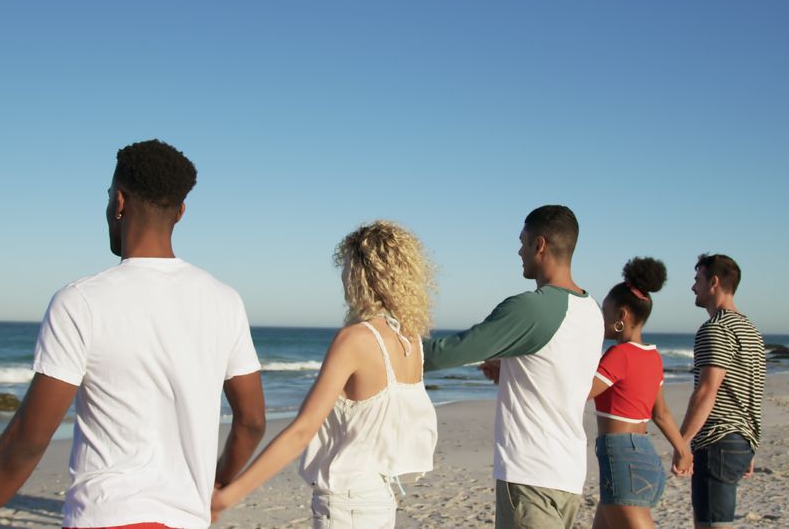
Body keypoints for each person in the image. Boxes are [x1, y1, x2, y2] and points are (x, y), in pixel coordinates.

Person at [0, 140, 267, 529]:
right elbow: (252, 421)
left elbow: (29, 440)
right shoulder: (225, 300)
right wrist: (214, 484)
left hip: (107, 516)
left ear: (119, 202)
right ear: (180, 213)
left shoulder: (81, 301)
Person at [211, 220, 438, 528]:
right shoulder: (411, 341)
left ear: (362, 274)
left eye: (346, 268)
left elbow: (301, 432)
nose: (343, 278)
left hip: (348, 502)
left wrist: (229, 494)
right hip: (381, 497)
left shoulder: (356, 339)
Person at [423, 204, 604, 529]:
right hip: (569, 474)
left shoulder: (530, 308)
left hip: (530, 473)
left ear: (540, 245)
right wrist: (508, 370)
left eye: (523, 242)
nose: (519, 251)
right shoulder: (592, 310)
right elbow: (558, 374)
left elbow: (441, 354)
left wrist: (380, 340)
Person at [586, 257, 692, 529]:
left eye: (604, 311)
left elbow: (579, 392)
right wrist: (682, 450)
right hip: (645, 455)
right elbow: (661, 413)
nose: (601, 318)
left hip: (621, 458)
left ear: (622, 315)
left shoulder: (618, 355)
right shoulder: (653, 357)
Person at [679, 254, 765, 529]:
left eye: (697, 280)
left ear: (713, 282)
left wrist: (683, 442)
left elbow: (706, 391)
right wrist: (747, 445)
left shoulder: (715, 329)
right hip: (741, 441)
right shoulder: (751, 330)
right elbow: (749, 392)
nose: (693, 287)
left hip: (718, 441)